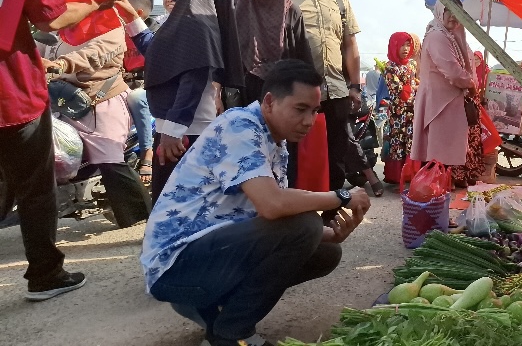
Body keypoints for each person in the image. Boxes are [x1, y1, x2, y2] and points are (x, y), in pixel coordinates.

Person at [140, 60, 371, 346]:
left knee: (325, 250)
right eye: (300, 109)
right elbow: (272, 205)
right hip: (175, 265)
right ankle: (231, 332)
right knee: (308, 224)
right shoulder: (239, 126)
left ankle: (216, 311)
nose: (310, 121)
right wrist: (342, 195)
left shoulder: (275, 142)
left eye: (314, 111)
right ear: (270, 102)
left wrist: (333, 234)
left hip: (204, 256)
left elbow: (276, 223)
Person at [0, 0, 117, 301]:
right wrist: (97, 3)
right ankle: (45, 274)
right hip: (13, 94)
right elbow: (51, 18)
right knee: (36, 188)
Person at [119, 0, 245, 206]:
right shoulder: (186, 18)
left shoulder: (195, 21)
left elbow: (194, 77)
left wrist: (173, 131)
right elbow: (158, 52)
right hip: (178, 127)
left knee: (177, 205)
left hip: (186, 131)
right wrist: (130, 16)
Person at [45, 0, 150, 229]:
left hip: (100, 102)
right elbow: (37, 46)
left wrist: (60, 65)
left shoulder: (110, 22)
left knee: (109, 160)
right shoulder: (61, 22)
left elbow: (96, 53)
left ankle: (141, 223)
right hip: (61, 102)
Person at [291, 0, 382, 198]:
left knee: (336, 158)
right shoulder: (286, 0)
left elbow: (350, 46)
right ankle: (299, 217)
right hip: (302, 95)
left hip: (338, 92)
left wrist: (354, 86)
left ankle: (330, 219)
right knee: (298, 158)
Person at [235, 0, 313, 188]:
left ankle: (286, 207)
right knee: (249, 151)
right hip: (246, 92)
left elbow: (303, 60)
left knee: (283, 154)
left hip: (284, 94)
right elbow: (225, 55)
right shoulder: (236, 7)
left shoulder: (291, 12)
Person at [411, 0, 482, 188]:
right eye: (448, 10)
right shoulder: (437, 36)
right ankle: (429, 202)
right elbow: (452, 70)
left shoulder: (449, 35)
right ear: (439, 12)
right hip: (439, 105)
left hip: (446, 104)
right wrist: (471, 84)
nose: (452, 16)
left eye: (456, 11)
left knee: (439, 159)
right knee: (436, 158)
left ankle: (434, 202)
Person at [120, 0, 159, 184]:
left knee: (135, 98)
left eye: (120, 10)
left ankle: (147, 152)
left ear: (139, 13)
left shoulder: (155, 35)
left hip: (147, 86)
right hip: (119, 83)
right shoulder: (115, 33)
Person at [382, 32, 418, 185]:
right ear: (394, 46)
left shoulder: (411, 64)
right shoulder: (389, 67)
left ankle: (410, 174)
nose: (405, 48)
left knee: (411, 141)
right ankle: (397, 176)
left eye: (408, 45)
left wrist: (412, 86)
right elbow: (400, 91)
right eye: (402, 45)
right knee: (397, 142)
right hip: (397, 113)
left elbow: (410, 84)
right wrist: (415, 87)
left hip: (412, 111)